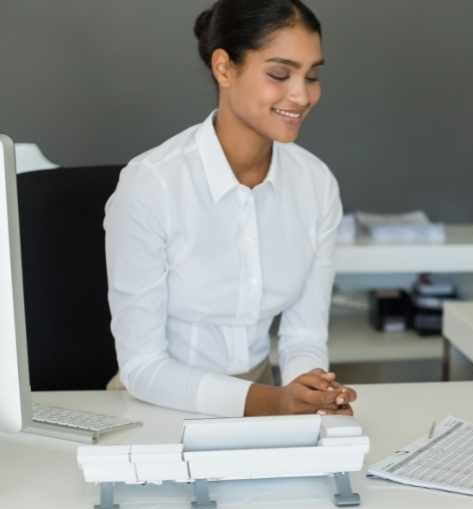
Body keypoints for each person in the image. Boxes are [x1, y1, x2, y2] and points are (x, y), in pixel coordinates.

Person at [104, 0, 356, 418]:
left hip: (267, 401)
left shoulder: (316, 184)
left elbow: (304, 335)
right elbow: (142, 368)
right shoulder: (152, 184)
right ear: (224, 68)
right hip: (154, 407)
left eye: (311, 75)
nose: (302, 94)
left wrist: (315, 397)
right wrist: (275, 402)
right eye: (280, 73)